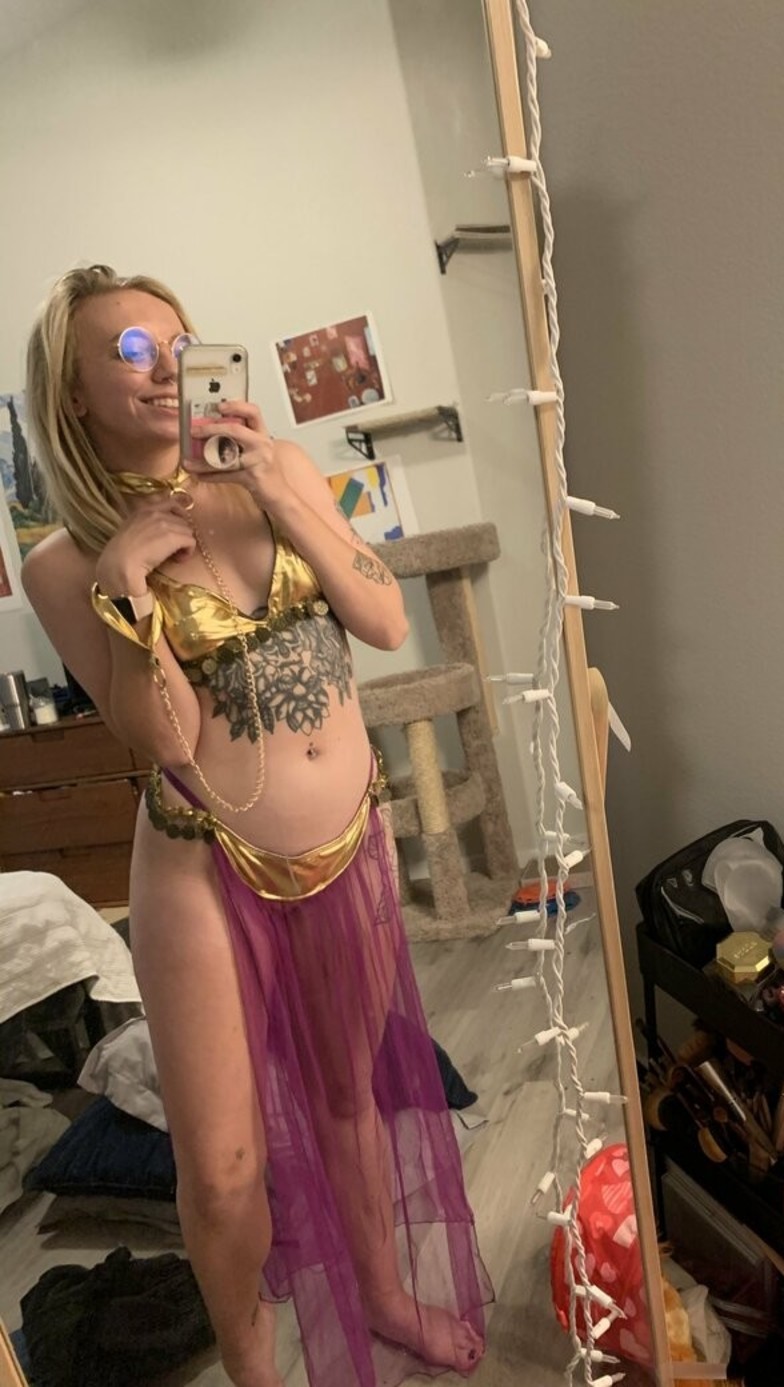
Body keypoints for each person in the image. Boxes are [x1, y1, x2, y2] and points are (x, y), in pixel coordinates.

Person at [22, 265, 491, 1387]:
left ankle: (383, 1296)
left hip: (350, 846)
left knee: (348, 1096)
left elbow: (384, 617)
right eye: (130, 351)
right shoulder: (66, 560)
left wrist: (286, 496)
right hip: (201, 866)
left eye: (176, 339)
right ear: (75, 392)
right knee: (226, 1168)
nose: (165, 364)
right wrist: (130, 597)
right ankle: (255, 1370)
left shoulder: (278, 471)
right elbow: (170, 740)